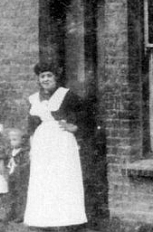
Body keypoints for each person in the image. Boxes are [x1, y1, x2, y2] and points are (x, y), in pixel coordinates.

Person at [24, 60, 88, 229]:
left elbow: (85, 114)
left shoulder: (66, 95)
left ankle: (66, 220)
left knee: (62, 178)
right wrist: (32, 147)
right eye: (42, 76)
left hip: (61, 141)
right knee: (44, 179)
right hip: (42, 142)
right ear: (38, 79)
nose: (45, 79)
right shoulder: (33, 99)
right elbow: (31, 125)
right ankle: (44, 220)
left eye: (49, 75)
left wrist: (74, 127)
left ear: (56, 77)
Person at [5, 128, 30, 223]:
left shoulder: (24, 152)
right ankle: (12, 212)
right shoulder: (10, 151)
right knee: (12, 194)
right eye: (10, 140)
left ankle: (21, 214)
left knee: (21, 195)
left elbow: (25, 164)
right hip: (12, 176)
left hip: (21, 177)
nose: (12, 142)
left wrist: (19, 167)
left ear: (22, 140)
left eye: (15, 139)